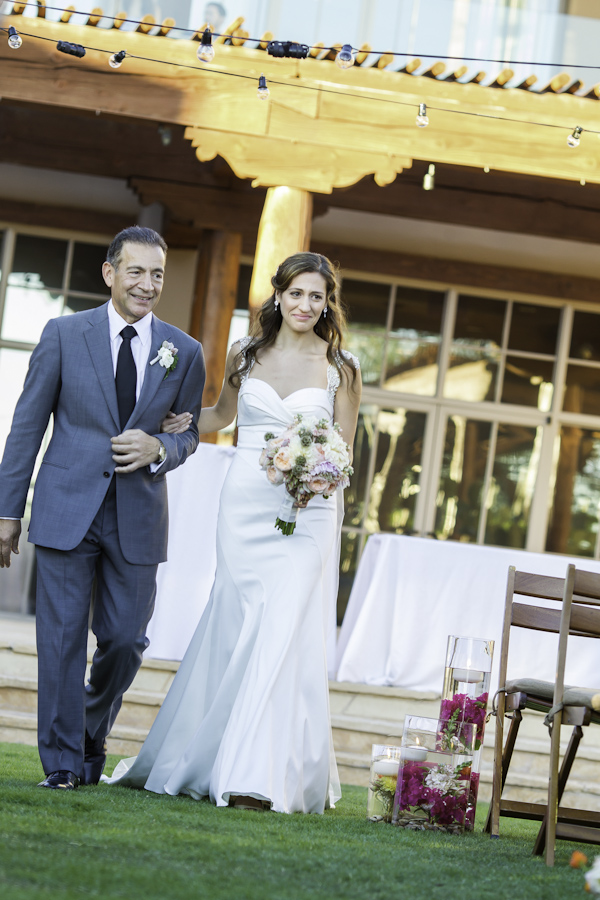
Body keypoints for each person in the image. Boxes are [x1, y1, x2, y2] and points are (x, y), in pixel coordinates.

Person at [104, 251, 362, 813]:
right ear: (279, 295)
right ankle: (215, 755)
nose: (305, 305)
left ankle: (256, 776)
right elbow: (224, 412)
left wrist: (315, 475)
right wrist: (179, 419)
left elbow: (344, 449)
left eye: (317, 296)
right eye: (296, 293)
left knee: (284, 625)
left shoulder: (342, 366)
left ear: (327, 304)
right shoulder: (247, 352)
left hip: (308, 512)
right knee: (237, 620)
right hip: (245, 502)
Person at [0, 226, 206, 790]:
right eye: (135, 271)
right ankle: (65, 764)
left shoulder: (184, 353)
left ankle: (90, 729)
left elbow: (190, 436)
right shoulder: (64, 334)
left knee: (124, 641)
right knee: (62, 641)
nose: (147, 284)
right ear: (110, 272)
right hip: (67, 508)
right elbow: (26, 426)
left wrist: (161, 446)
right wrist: (7, 510)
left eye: (157, 274)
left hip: (138, 516)